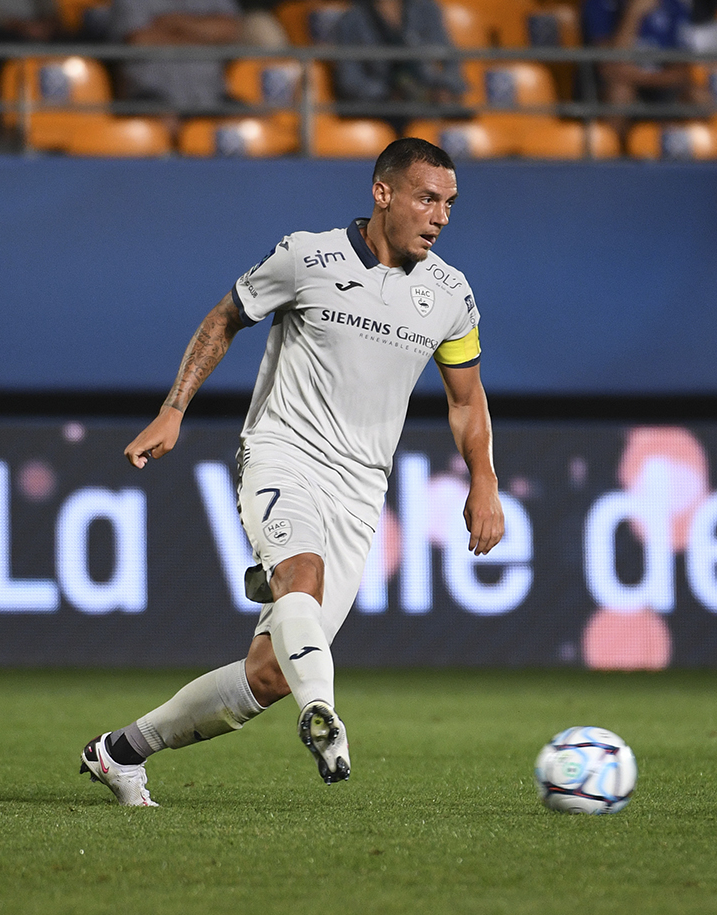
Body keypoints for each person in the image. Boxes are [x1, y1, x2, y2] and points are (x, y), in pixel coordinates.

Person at [79, 137, 504, 806]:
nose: (441, 215)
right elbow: (225, 319)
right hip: (283, 455)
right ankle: (325, 715)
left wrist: (484, 477)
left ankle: (120, 751)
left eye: (449, 203)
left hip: (361, 491)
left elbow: (466, 398)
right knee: (300, 575)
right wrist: (173, 409)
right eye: (427, 198)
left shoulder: (451, 294)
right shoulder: (308, 257)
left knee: (270, 674)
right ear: (383, 192)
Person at [332, 0, 467, 134]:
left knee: (463, 120)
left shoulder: (426, 9)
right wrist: (387, 93)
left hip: (427, 97)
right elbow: (350, 81)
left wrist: (444, 87)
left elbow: (449, 59)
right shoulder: (351, 20)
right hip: (382, 107)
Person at [582, 0, 710, 135]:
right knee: (620, 92)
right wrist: (633, 14)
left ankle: (706, 153)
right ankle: (613, 153)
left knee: (700, 97)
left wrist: (646, 79)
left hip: (661, 84)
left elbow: (683, 71)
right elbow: (609, 66)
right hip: (614, 86)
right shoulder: (599, 4)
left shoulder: (674, 5)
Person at [110, 0, 244, 115]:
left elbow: (229, 30)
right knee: (161, 122)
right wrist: (203, 37)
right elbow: (139, 40)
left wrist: (176, 22)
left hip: (211, 96)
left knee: (247, 123)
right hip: (151, 95)